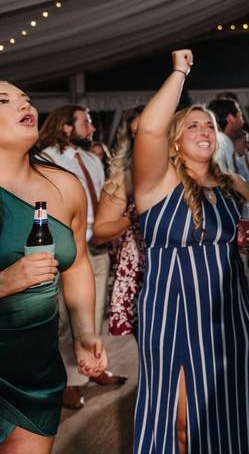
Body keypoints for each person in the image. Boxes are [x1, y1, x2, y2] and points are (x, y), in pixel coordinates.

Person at [132, 51, 249, 453]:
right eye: (192, 125)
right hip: (174, 313)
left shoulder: (234, 188)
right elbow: (148, 131)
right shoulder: (156, 184)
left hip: (232, 311)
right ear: (174, 140)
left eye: (209, 124)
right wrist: (180, 71)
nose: (204, 130)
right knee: (181, 424)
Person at [0, 81, 107, 453]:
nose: (22, 105)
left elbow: (76, 263)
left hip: (35, 369)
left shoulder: (64, 187)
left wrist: (84, 332)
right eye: (4, 100)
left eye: (25, 100)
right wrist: (4, 282)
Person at [38, 105, 124, 408]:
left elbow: (101, 200)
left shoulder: (91, 159)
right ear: (66, 127)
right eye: (86, 122)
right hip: (67, 247)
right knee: (64, 317)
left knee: (93, 312)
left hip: (97, 244)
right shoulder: (46, 158)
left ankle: (91, 364)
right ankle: (69, 382)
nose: (93, 128)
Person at [91, 105, 145, 336]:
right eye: (137, 134)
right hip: (142, 270)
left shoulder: (187, 172)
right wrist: (133, 217)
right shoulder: (124, 180)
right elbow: (100, 231)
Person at [207, 97, 245, 177]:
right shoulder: (221, 144)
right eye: (240, 115)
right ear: (230, 119)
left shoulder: (222, 142)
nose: (243, 121)